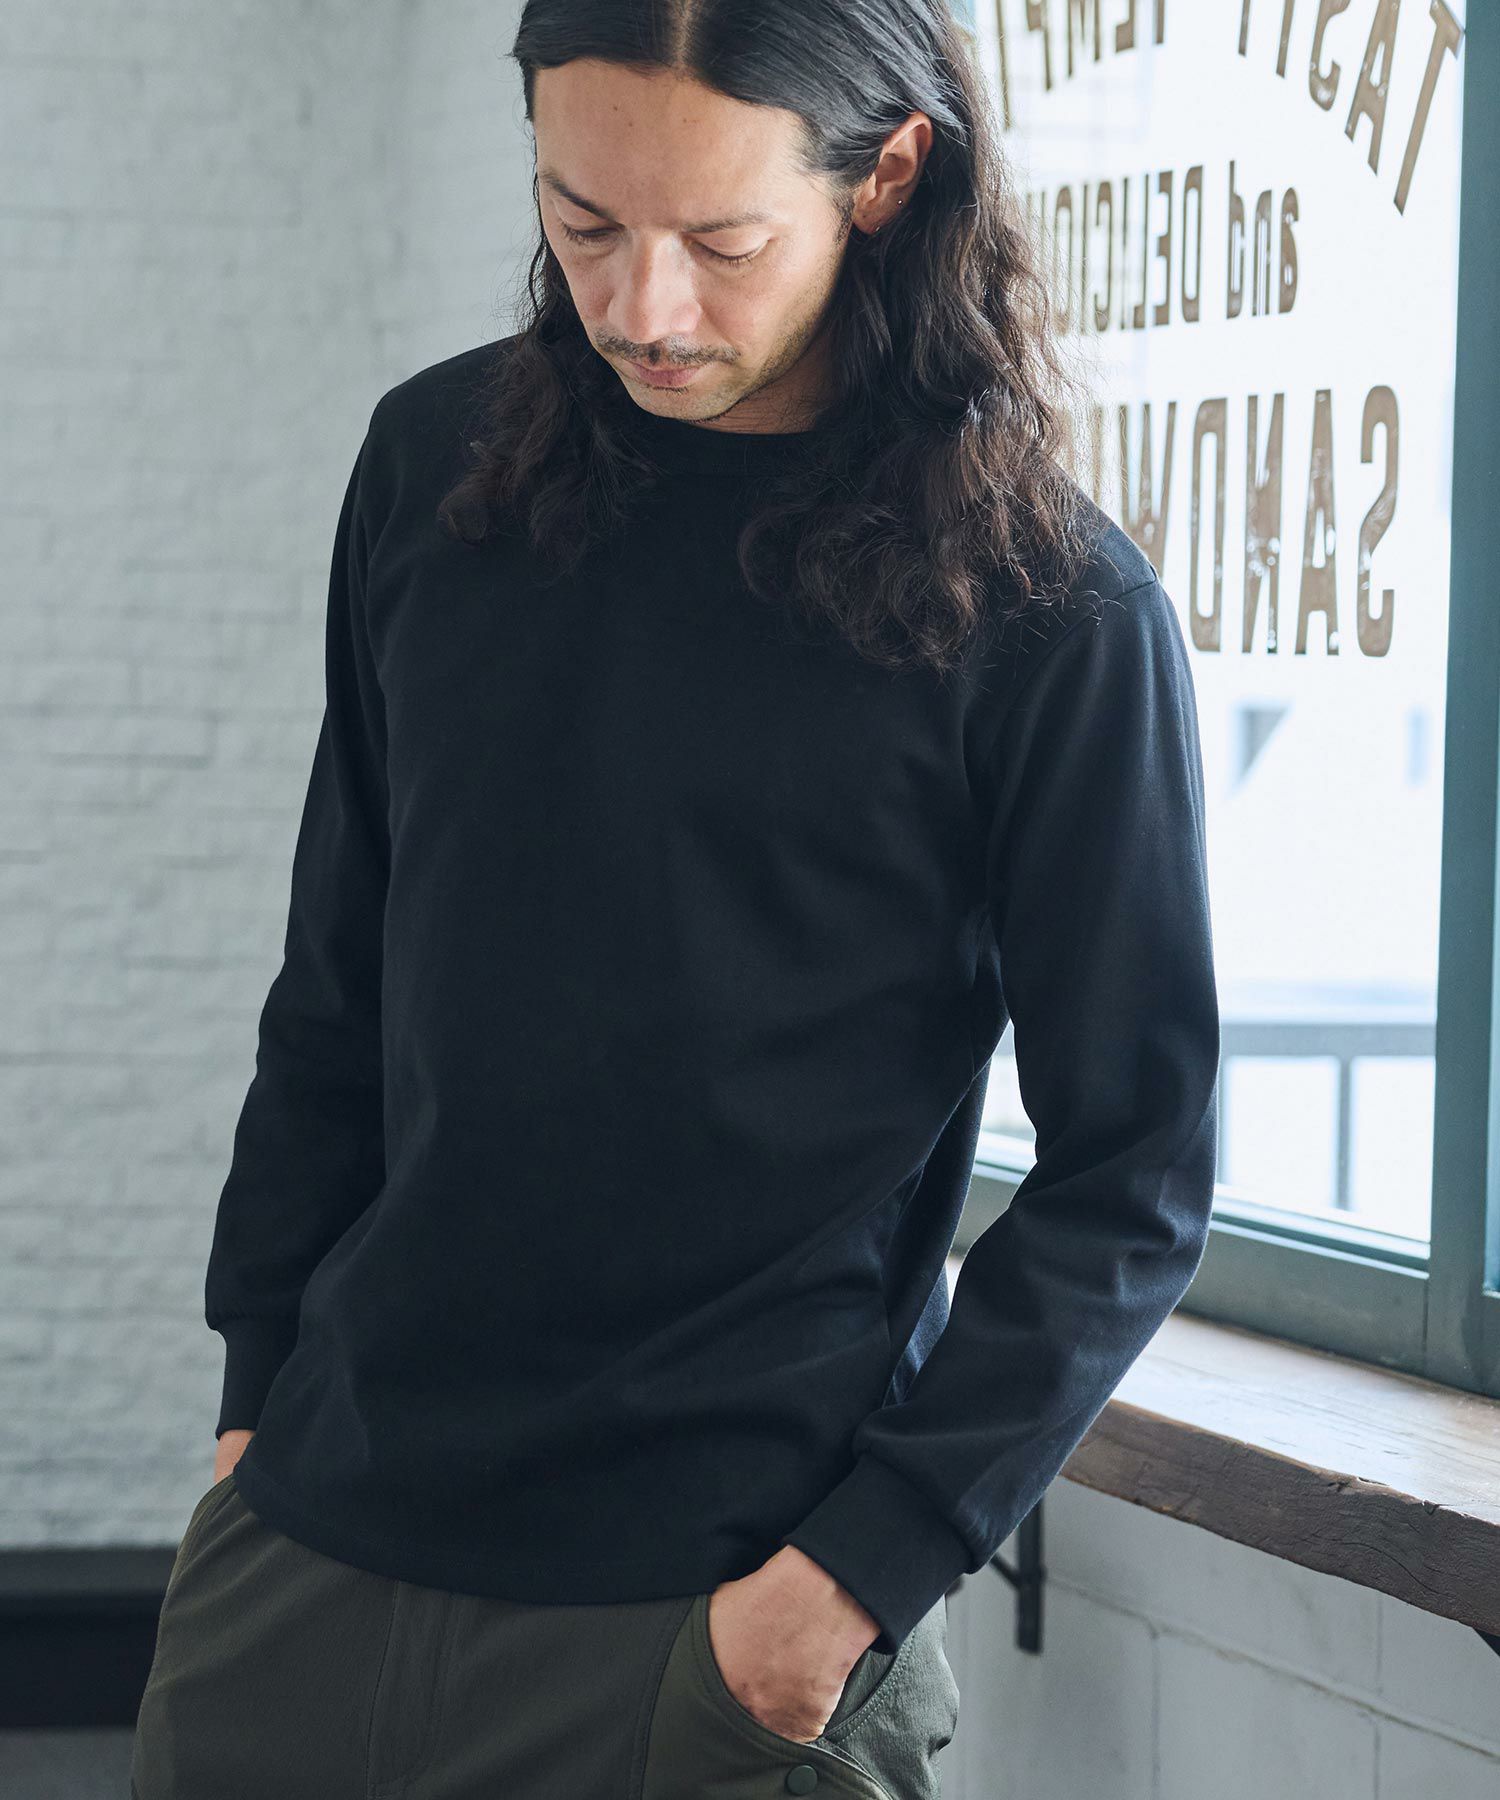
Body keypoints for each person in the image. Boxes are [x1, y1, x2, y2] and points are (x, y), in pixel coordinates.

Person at [130, 2, 1220, 1796]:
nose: (642, 307)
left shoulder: (1050, 611)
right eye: (583, 225)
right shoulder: (429, 468)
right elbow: (337, 982)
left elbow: (1138, 1168)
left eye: (722, 241)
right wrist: (256, 1396)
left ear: (887, 176)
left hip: (716, 1633)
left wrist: (853, 1582)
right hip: (311, 1562)